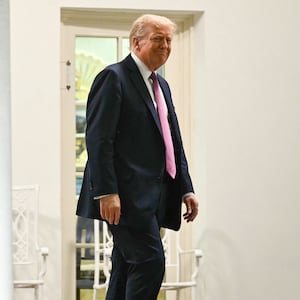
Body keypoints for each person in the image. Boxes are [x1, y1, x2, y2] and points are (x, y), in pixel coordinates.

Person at [76, 14, 199, 300]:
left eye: (169, 40)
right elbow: (98, 139)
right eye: (158, 39)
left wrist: (186, 187)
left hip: (155, 195)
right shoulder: (114, 77)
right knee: (150, 262)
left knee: (124, 266)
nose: (165, 46)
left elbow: (172, 143)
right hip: (125, 198)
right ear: (136, 42)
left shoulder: (162, 86)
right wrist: (107, 192)